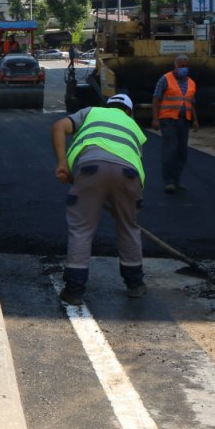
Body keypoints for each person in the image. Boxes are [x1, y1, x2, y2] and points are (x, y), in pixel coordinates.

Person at [51, 93, 148, 305]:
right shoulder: (134, 127)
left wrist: (63, 164)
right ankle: (135, 284)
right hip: (129, 175)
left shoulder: (92, 112)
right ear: (129, 112)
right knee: (129, 227)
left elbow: (59, 126)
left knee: (82, 228)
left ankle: (74, 290)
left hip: (90, 169)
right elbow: (133, 162)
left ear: (108, 105)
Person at [150, 54, 198, 194]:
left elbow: (191, 103)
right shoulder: (165, 79)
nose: (184, 68)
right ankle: (169, 182)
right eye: (181, 66)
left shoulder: (191, 83)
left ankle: (177, 180)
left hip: (184, 120)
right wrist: (155, 118)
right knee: (170, 148)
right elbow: (156, 99)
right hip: (168, 120)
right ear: (175, 66)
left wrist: (195, 120)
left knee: (182, 151)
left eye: (185, 66)